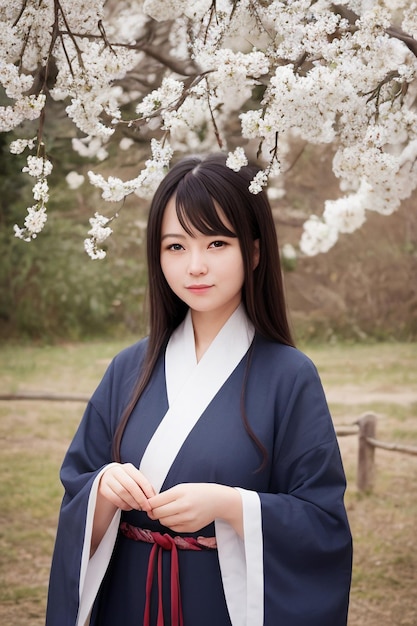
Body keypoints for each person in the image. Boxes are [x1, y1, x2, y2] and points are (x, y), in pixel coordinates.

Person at [46, 153, 352, 626]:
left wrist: (231, 506)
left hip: (220, 605)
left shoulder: (290, 376)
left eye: (216, 243)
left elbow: (322, 521)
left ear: (252, 252)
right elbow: (77, 494)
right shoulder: (128, 367)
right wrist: (102, 490)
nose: (195, 267)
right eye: (175, 247)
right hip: (128, 597)